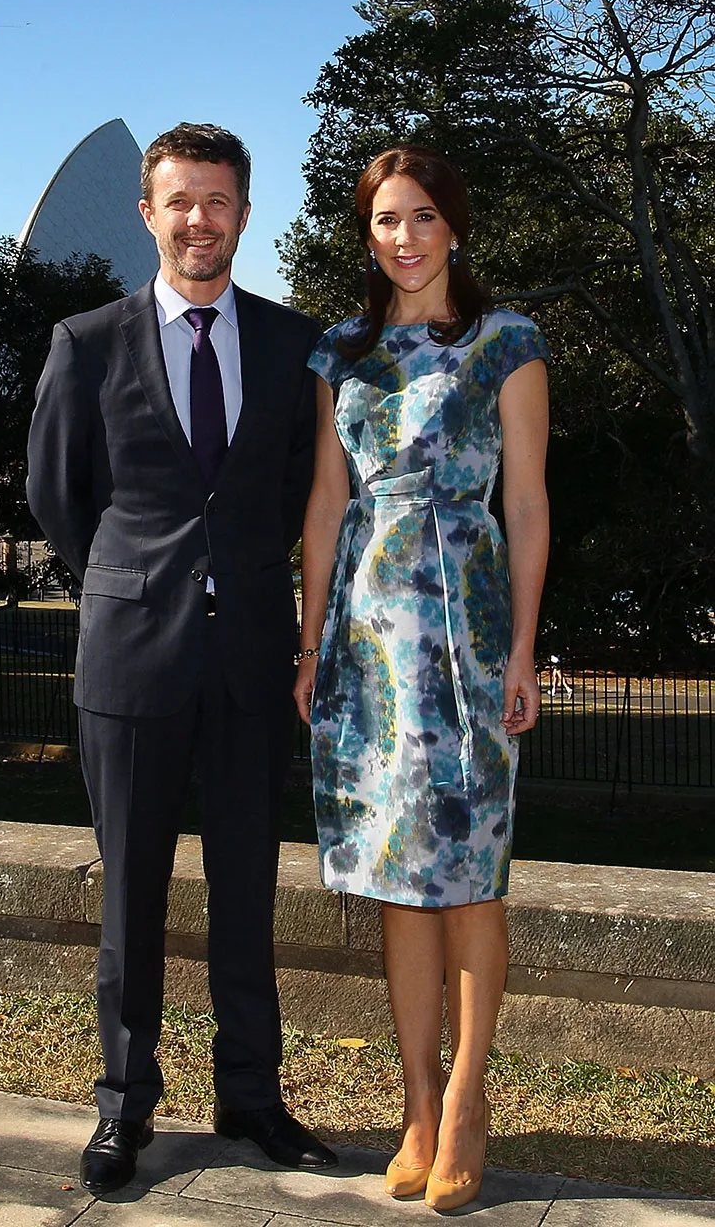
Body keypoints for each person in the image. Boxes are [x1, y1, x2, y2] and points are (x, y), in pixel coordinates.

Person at [27, 122, 335, 1195]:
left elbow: (310, 495)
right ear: (147, 212)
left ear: (244, 213)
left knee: (247, 890)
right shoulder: (87, 342)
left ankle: (251, 1096)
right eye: (179, 200)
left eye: (218, 199)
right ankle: (125, 1105)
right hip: (131, 659)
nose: (199, 218)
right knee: (133, 899)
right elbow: (60, 499)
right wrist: (133, 583)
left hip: (252, 659)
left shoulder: (297, 345)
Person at [294, 146, 549, 1213]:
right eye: (385, 220)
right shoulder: (340, 352)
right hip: (364, 639)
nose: (404, 236)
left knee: (471, 874)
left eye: (423, 217)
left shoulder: (506, 342)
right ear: (368, 235)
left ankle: (466, 1101)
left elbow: (528, 503)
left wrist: (525, 648)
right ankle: (413, 1102)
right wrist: (308, 641)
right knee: (401, 880)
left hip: (466, 630)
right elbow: (321, 502)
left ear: (454, 226)